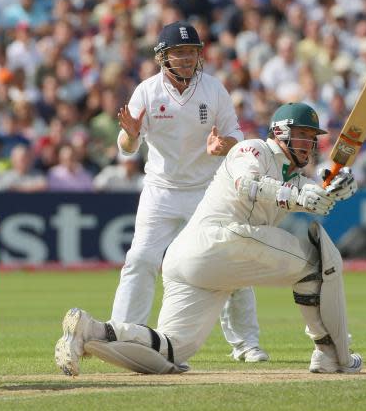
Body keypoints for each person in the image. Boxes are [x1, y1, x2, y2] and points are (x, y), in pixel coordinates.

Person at [55, 102, 363, 376]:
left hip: (192, 261)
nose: (308, 144)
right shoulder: (253, 149)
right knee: (319, 260)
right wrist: (301, 194)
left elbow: (312, 197)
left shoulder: (293, 177)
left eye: (312, 138)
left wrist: (332, 191)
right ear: (280, 132)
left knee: (171, 350)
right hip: (221, 240)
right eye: (302, 135)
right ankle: (331, 352)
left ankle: (89, 330)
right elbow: (248, 184)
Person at [97, 21, 268, 363]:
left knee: (230, 262)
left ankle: (245, 343)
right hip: (161, 190)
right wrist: (130, 134)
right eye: (180, 53)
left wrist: (223, 145)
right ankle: (123, 335)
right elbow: (128, 148)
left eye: (192, 52)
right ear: (163, 57)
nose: (188, 59)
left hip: (207, 191)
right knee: (141, 260)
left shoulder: (214, 89)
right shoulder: (147, 91)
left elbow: (235, 135)